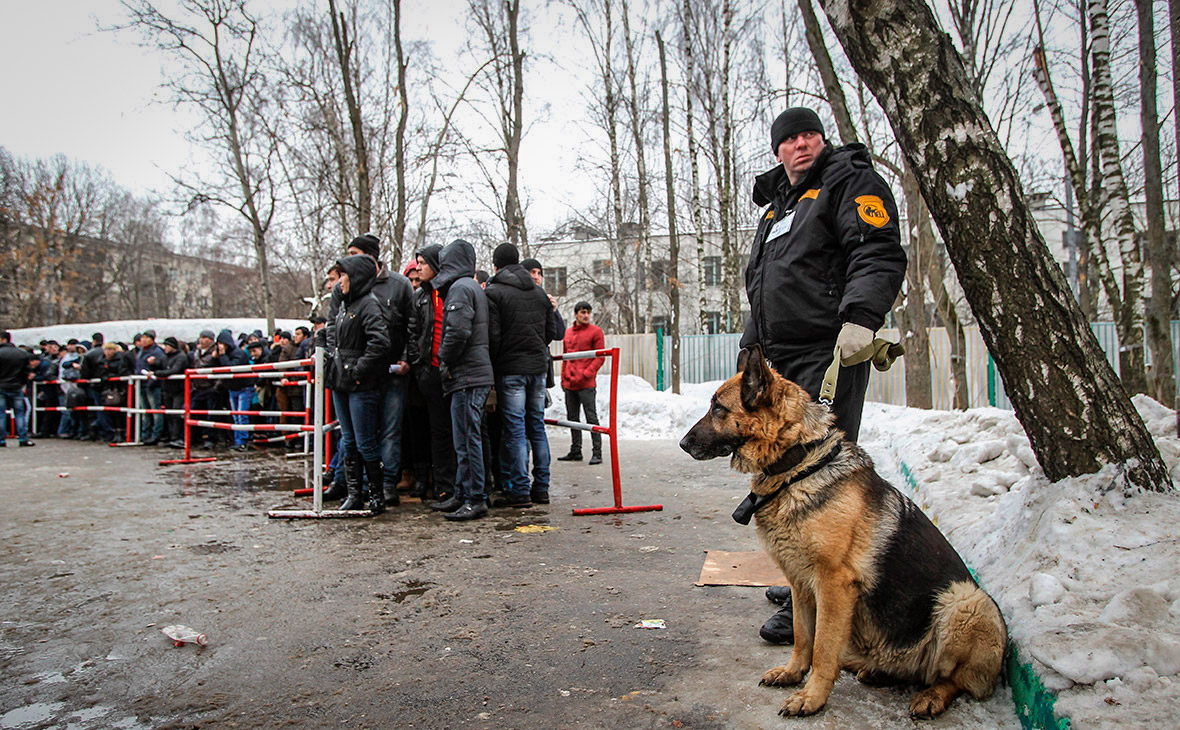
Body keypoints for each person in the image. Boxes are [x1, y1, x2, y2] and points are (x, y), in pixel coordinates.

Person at [741, 106, 906, 645]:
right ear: (778, 151)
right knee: (781, 466)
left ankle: (813, 600)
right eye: (789, 139)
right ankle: (800, 580)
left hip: (826, 350)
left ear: (821, 140)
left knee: (815, 475)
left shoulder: (849, 181)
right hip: (779, 359)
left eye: (809, 134)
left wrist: (861, 316)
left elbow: (877, 251)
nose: (801, 144)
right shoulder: (776, 208)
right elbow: (763, 284)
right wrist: (751, 351)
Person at [485, 243, 560, 506]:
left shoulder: (494, 292)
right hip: (538, 368)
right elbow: (551, 332)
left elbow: (492, 336)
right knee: (536, 428)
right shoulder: (539, 294)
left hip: (510, 370)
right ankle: (541, 488)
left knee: (515, 430)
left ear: (496, 266)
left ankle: (518, 491)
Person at [346, 233, 413, 507]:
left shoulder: (399, 285)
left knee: (390, 430)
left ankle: (387, 485)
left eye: (355, 254)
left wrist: (408, 358)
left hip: (394, 370)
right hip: (363, 372)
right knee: (362, 433)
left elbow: (413, 324)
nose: (350, 260)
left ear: (372, 256)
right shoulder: (348, 286)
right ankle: (362, 485)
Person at [430, 239, 495, 522]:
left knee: (467, 441)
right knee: (471, 437)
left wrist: (443, 361)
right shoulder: (470, 286)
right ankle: (464, 493)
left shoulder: (458, 289)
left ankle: (474, 498)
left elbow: (456, 333)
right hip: (473, 373)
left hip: (467, 375)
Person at [328, 253, 392, 514]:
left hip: (361, 383)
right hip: (341, 380)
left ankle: (376, 495)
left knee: (365, 441)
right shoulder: (345, 305)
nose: (339, 281)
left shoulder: (369, 305)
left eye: (343, 275)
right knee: (349, 439)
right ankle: (354, 493)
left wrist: (358, 370)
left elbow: (380, 342)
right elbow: (332, 334)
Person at [408, 244, 458, 505]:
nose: (418, 268)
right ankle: (443, 488)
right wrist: (421, 366)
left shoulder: (452, 292)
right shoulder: (420, 296)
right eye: (416, 263)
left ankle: (460, 487)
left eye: (423, 263)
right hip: (430, 373)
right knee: (437, 432)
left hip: (455, 374)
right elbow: (413, 333)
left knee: (458, 433)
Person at [559, 301, 605, 465]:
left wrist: (586, 374)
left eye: (588, 313)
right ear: (576, 314)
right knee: (572, 418)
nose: (586, 316)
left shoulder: (596, 332)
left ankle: (597, 452)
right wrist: (563, 378)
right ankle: (575, 451)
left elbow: (600, 357)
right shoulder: (568, 333)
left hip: (586, 384)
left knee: (591, 418)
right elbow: (565, 357)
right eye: (583, 312)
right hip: (570, 384)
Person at [212, 330, 251, 452]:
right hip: (232, 388)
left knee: (242, 415)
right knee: (236, 416)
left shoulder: (238, 353)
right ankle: (237, 440)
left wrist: (222, 355)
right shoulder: (223, 354)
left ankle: (242, 442)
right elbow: (216, 368)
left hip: (244, 387)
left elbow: (231, 368)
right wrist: (215, 358)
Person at [0, 330, 34, 447]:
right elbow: (27, 371)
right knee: (20, 413)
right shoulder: (22, 353)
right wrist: (21, 383)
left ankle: (1, 440)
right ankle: (23, 438)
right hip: (16, 386)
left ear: (3, 339)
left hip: (1, 386)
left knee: (1, 414)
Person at [157, 337, 190, 448]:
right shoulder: (165, 357)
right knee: (169, 414)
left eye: (167, 345)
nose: (165, 348)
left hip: (179, 389)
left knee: (176, 414)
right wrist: (152, 364)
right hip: (168, 389)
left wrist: (157, 373)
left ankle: (177, 437)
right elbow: (159, 364)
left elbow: (174, 370)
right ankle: (172, 437)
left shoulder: (181, 357)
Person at [136, 331, 167, 445]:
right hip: (141, 384)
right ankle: (145, 434)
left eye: (146, 338)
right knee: (144, 411)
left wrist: (154, 365)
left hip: (153, 385)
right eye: (142, 338)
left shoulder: (157, 351)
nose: (143, 340)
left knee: (155, 410)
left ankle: (156, 434)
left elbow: (162, 364)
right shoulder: (141, 351)